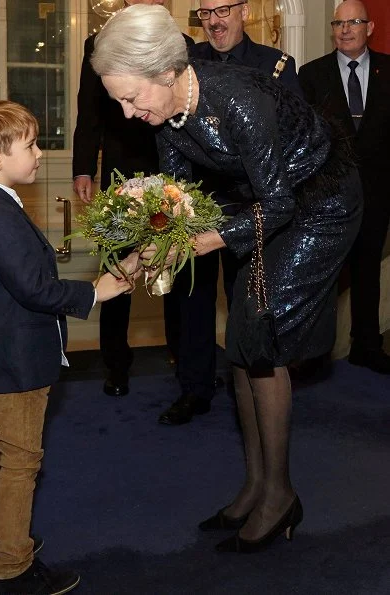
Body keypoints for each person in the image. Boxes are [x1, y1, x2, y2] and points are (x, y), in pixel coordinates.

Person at [91, 4, 363, 553]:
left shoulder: (239, 99)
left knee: (261, 337)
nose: (125, 113)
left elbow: (280, 203)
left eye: (130, 96)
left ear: (167, 72)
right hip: (261, 208)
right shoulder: (167, 116)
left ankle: (280, 495)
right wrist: (142, 255)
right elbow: (182, 202)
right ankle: (256, 485)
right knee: (240, 339)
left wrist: (205, 241)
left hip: (319, 204)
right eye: (117, 99)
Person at [0, 100, 138, 594]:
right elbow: (34, 289)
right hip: (14, 363)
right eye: (30, 145)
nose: (39, 154)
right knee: (20, 463)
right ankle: (12, 567)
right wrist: (98, 290)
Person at [158, 0, 303, 426]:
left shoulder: (275, 65)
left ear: (244, 12)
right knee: (192, 300)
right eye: (205, 13)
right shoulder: (183, 66)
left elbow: (293, 135)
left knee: (251, 302)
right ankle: (195, 390)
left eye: (223, 10)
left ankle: (258, 389)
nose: (215, 21)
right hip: (198, 202)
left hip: (259, 207)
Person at [73, 0, 194, 398]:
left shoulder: (183, 43)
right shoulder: (98, 45)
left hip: (174, 172)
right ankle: (116, 365)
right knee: (119, 270)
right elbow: (88, 114)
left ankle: (183, 357)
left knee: (177, 268)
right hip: (120, 178)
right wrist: (83, 168)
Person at [299, 0, 390, 375]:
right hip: (329, 195)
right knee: (327, 274)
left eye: (354, 22)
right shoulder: (311, 74)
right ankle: (315, 354)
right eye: (338, 23)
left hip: (379, 192)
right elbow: (303, 137)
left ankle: (367, 346)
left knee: (368, 269)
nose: (344, 29)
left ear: (369, 28)